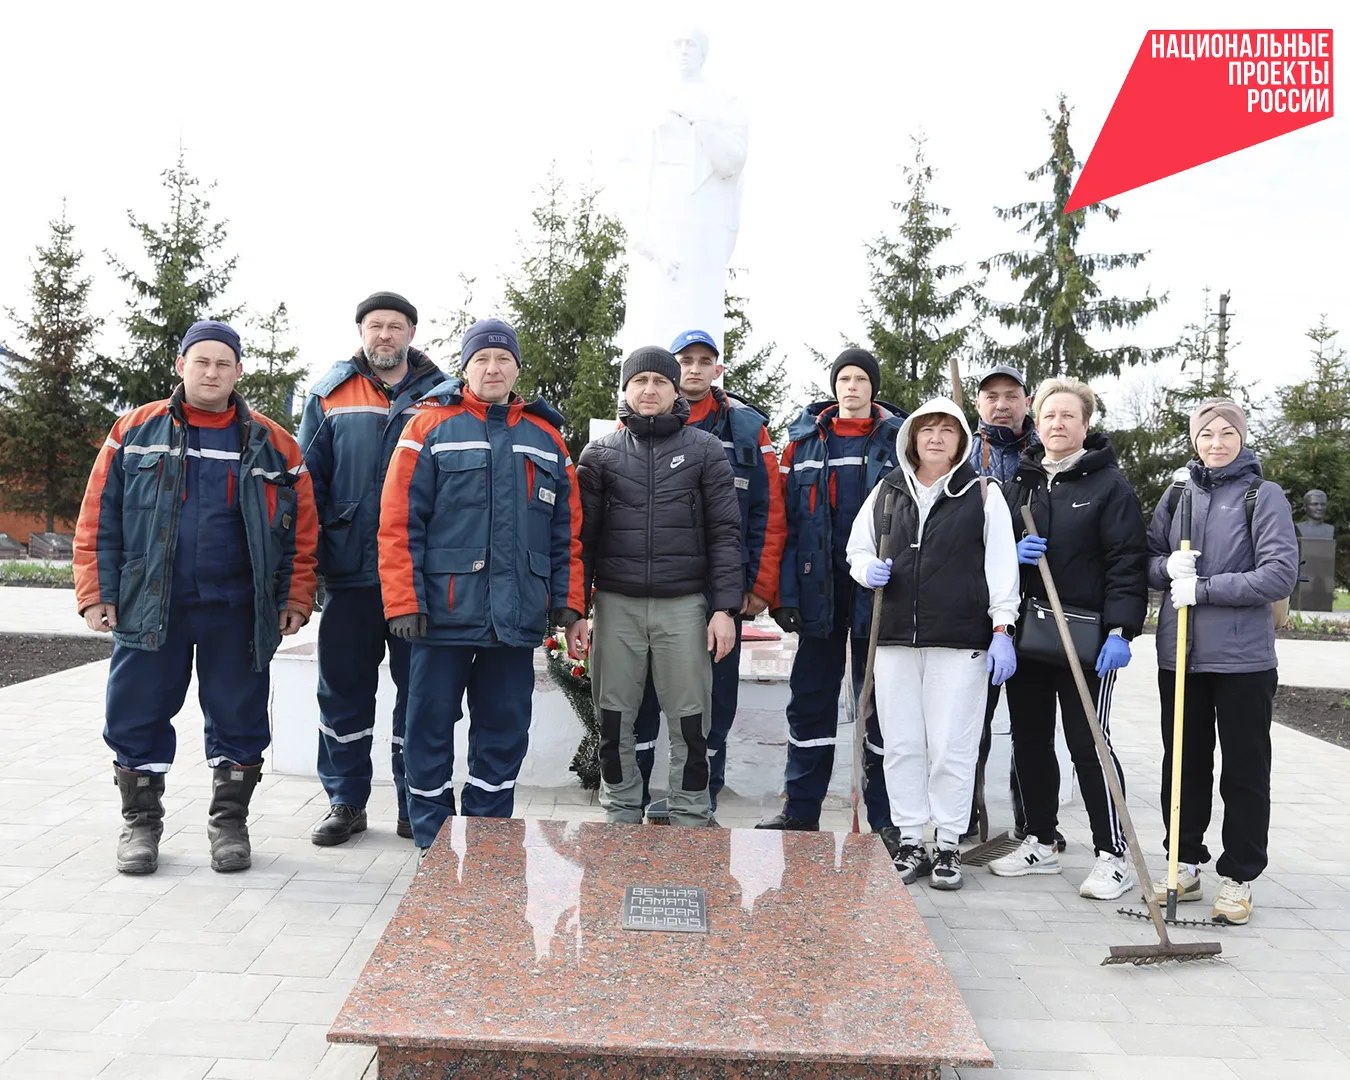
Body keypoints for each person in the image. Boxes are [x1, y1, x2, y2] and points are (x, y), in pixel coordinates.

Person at [73, 320, 317, 875]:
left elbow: (302, 533)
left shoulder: (275, 444)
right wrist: (96, 591)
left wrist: (296, 596)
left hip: (239, 608)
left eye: (223, 364)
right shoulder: (135, 430)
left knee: (239, 714)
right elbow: (99, 516)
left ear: (238, 372)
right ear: (181, 365)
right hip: (149, 602)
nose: (212, 372)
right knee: (137, 711)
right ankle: (140, 825)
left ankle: (229, 824)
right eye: (201, 362)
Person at [377, 319, 587, 849]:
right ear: (465, 367)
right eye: (481, 360)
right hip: (440, 616)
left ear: (517, 368)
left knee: (504, 728)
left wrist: (568, 602)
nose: (492, 369)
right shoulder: (428, 427)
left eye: (503, 359)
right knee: (428, 727)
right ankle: (432, 840)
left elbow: (567, 531)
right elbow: (399, 522)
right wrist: (403, 601)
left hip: (515, 618)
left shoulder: (546, 439)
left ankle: (488, 840)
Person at [847, 399, 1020, 889]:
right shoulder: (888, 489)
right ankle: (910, 839)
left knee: (951, 746)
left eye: (947, 429)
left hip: (960, 640)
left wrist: (1002, 628)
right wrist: (866, 569)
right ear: (912, 438)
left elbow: (1002, 565)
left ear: (961, 439)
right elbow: (857, 547)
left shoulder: (983, 493)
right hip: (894, 638)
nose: (937, 437)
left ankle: (947, 843)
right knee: (902, 744)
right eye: (927, 429)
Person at [989, 377, 1148, 901]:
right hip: (1030, 634)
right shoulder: (1022, 482)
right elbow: (990, 552)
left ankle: (1113, 853)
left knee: (1088, 743)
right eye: (1049, 415)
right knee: (1030, 739)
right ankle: (1040, 839)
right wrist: (1012, 552)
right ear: (1036, 422)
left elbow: (1127, 562)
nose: (1057, 424)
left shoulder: (1109, 486)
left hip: (1086, 638)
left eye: (1068, 416)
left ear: (1085, 424)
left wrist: (1121, 630)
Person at [300, 291, 446, 846]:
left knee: (420, 696)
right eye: (375, 326)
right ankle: (345, 801)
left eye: (395, 326)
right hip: (349, 573)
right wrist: (309, 567)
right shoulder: (329, 394)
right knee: (342, 691)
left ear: (411, 333)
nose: (385, 335)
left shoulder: (441, 396)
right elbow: (306, 485)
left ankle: (414, 803)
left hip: (418, 578)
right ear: (361, 332)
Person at [577, 346, 742, 827]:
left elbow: (726, 533)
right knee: (613, 720)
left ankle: (690, 814)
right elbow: (580, 539)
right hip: (616, 604)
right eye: (640, 381)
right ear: (626, 388)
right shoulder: (600, 454)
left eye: (660, 382)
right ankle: (621, 809)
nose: (649, 390)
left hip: (684, 606)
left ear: (675, 390)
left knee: (691, 721)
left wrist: (724, 609)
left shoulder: (705, 449)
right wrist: (574, 611)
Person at [1148, 399, 1298, 925]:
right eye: (1206, 433)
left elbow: (1278, 574)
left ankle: (1239, 876)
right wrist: (1167, 566)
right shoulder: (1177, 494)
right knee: (1183, 765)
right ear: (1194, 440)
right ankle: (1183, 862)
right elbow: (1144, 559)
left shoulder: (1263, 496)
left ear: (1242, 437)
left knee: (1244, 772)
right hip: (1181, 657)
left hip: (1243, 661)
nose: (1216, 442)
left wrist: (1204, 588)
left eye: (1227, 432)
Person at [634, 328, 786, 821]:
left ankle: (702, 804)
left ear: (718, 369)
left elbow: (769, 511)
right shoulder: (641, 422)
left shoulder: (747, 428)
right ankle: (634, 807)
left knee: (715, 705)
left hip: (721, 594)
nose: (694, 369)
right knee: (643, 702)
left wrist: (758, 585)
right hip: (653, 590)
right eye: (686, 360)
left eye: (705, 361)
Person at [758, 348, 906, 840]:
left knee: (878, 707)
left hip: (878, 591)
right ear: (834, 386)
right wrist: (783, 594)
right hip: (818, 590)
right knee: (810, 701)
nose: (852, 387)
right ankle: (801, 810)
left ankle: (884, 819)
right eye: (844, 379)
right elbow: (783, 524)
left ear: (873, 387)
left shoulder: (899, 441)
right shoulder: (802, 445)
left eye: (861, 379)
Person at [617, 27, 747, 351]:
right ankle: (649, 377)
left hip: (704, 213)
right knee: (653, 306)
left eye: (691, 43)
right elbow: (629, 162)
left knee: (698, 300)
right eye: (678, 43)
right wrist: (639, 230)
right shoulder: (650, 101)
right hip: (660, 208)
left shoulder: (723, 102)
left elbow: (733, 159)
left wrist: (702, 128)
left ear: (703, 52)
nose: (684, 49)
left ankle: (697, 371)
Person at [965, 363, 1045, 845]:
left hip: (1036, 602)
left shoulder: (1044, 450)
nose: (1001, 404)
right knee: (972, 720)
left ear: (1026, 401)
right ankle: (965, 814)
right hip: (980, 605)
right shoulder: (965, 453)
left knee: (1030, 723)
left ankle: (1031, 820)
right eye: (991, 396)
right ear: (978, 403)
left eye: (1011, 395)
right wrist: (997, 553)